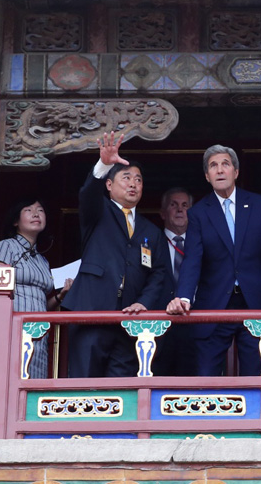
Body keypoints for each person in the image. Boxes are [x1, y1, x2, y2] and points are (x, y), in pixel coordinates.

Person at [167, 145, 261, 376]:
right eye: (213, 166)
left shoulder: (259, 205)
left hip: (255, 302)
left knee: (257, 379)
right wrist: (182, 296)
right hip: (213, 305)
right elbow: (193, 259)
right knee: (206, 379)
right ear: (207, 176)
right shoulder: (199, 213)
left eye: (225, 164)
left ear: (236, 171)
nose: (219, 170)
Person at [62, 132, 169, 378]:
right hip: (92, 311)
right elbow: (88, 194)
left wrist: (144, 303)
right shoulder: (98, 212)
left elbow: (158, 273)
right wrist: (104, 165)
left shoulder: (150, 231)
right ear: (109, 185)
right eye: (126, 177)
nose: (133, 184)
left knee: (121, 390)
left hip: (129, 320)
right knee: (85, 384)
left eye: (138, 180)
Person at [0, 198, 72, 379]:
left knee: (32, 383)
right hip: (13, 330)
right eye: (28, 210)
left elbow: (42, 304)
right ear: (15, 221)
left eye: (40, 210)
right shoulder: (6, 246)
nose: (36, 214)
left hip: (38, 333)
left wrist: (60, 296)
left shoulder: (42, 260)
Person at [152, 187, 194, 376]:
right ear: (162, 213)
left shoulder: (201, 244)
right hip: (158, 330)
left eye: (185, 205)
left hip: (195, 327)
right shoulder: (150, 242)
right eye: (173, 205)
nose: (180, 210)